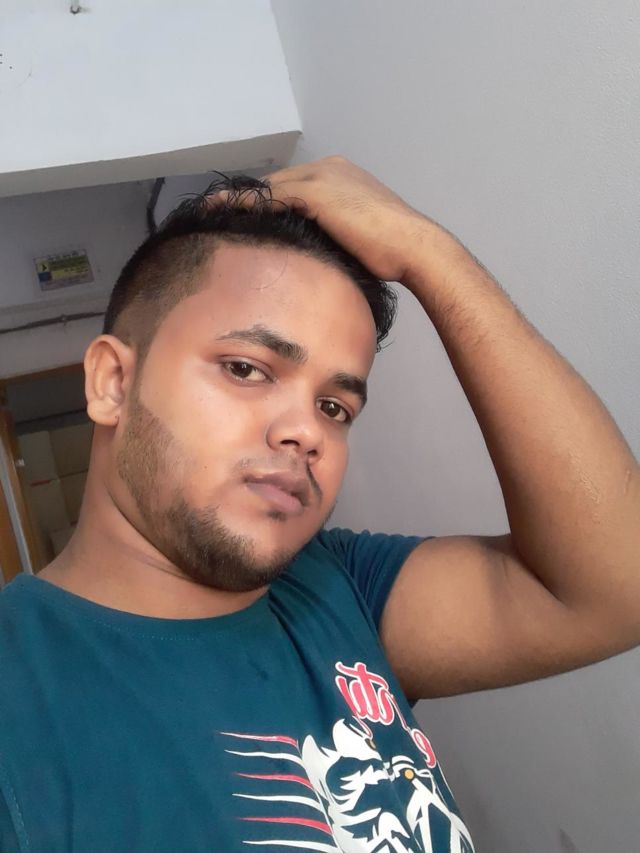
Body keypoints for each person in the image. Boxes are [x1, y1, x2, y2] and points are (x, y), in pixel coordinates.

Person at [1, 157, 638, 853]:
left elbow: (615, 586)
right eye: (246, 368)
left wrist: (428, 253)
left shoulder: (343, 587)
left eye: (335, 406)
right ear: (112, 383)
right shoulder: (20, 694)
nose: (306, 431)